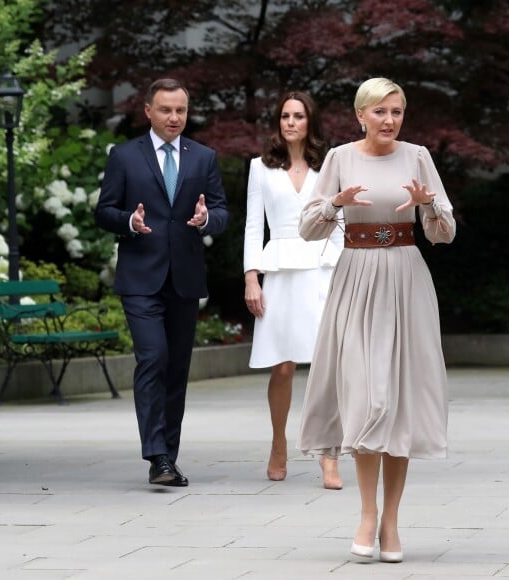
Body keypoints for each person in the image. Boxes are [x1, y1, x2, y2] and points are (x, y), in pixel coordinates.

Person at [296, 77, 456, 563]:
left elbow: (444, 232)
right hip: (356, 280)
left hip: (406, 279)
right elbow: (306, 227)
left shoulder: (419, 156)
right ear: (360, 114)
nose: (390, 120)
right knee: (366, 398)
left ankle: (391, 523)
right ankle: (367, 514)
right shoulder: (339, 158)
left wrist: (427, 204)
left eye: (397, 112)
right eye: (380, 112)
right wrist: (335, 205)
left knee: (400, 403)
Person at [94, 78, 229, 487]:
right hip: (140, 276)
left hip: (184, 278)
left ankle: (167, 455)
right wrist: (128, 223)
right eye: (166, 110)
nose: (174, 117)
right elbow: (104, 211)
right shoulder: (125, 156)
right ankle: (156, 454)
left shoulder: (203, 157)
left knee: (176, 368)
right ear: (149, 111)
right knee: (152, 358)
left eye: (181, 111)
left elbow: (221, 210)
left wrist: (206, 219)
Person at [244, 91, 343, 489]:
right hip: (280, 271)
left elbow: (342, 221)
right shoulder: (259, 168)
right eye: (284, 115)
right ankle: (278, 444)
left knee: (328, 367)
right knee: (282, 366)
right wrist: (251, 277)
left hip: (322, 269)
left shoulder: (331, 164)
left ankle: (328, 456)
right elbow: (254, 225)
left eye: (298, 116)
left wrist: (340, 266)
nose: (290, 122)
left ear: (309, 122)